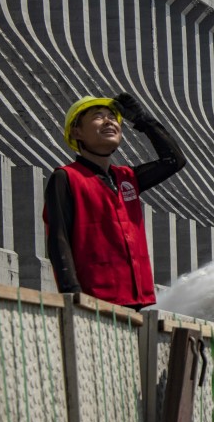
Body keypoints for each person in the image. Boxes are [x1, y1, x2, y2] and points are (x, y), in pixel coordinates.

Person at [43, 93, 187, 310]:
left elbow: (174, 161)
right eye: (98, 116)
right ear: (76, 131)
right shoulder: (66, 178)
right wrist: (72, 297)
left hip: (137, 302)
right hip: (94, 301)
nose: (109, 121)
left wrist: (143, 120)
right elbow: (58, 238)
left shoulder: (128, 178)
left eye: (113, 117)